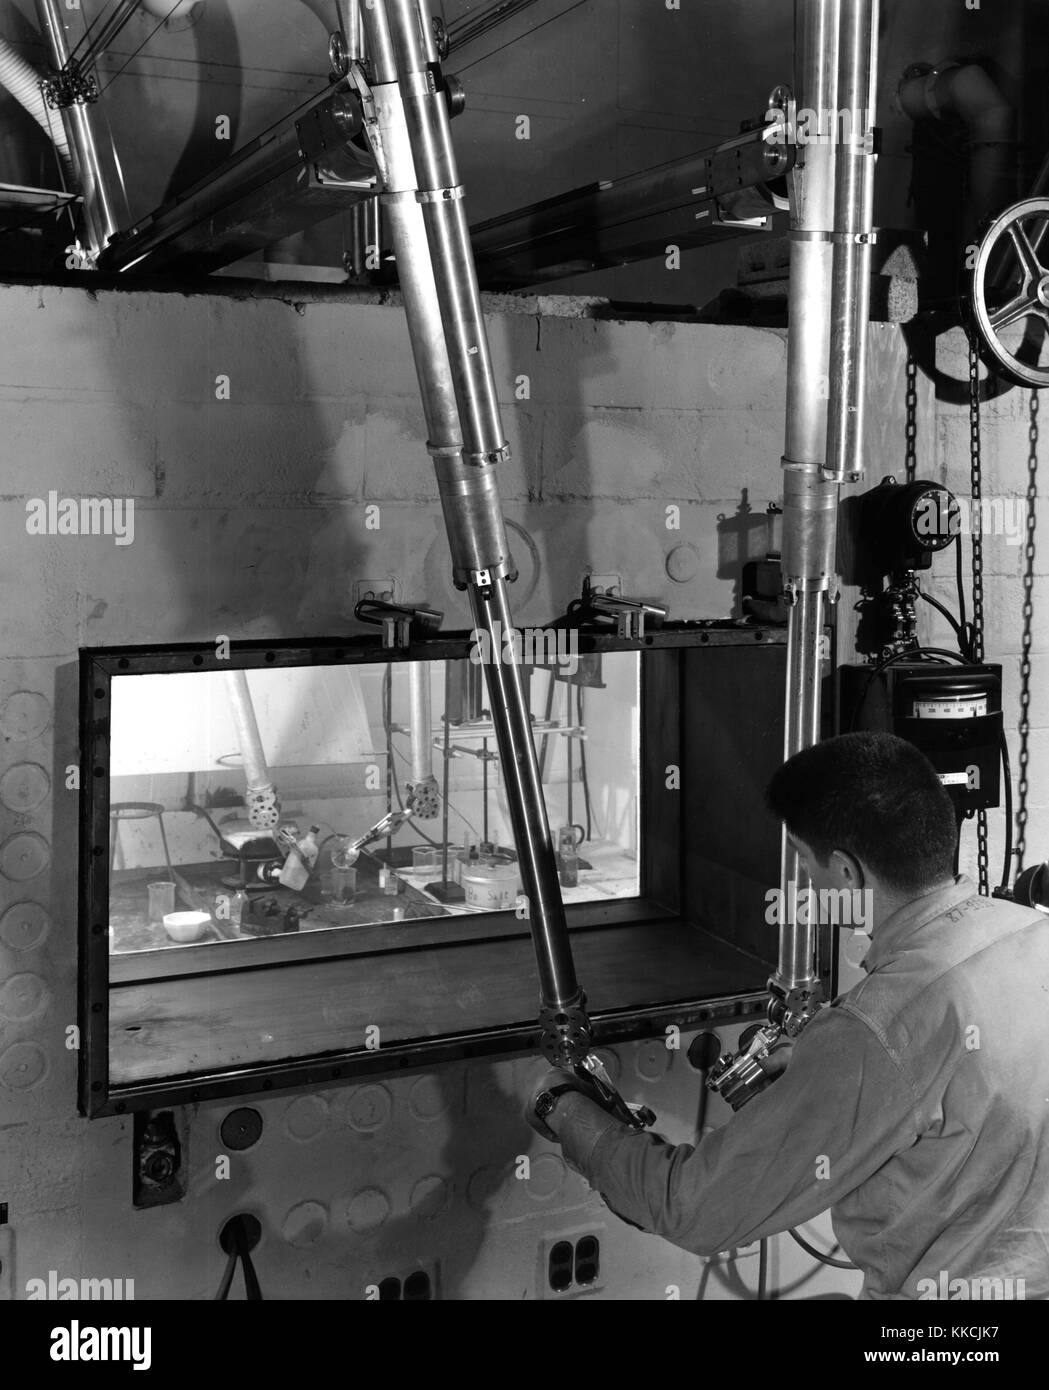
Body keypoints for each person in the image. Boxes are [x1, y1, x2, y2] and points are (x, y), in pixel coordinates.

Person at [526, 731, 1049, 1300]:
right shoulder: (1031, 932)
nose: (803, 881)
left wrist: (561, 1108)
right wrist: (828, 1076)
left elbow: (691, 1209)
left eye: (803, 859)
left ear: (847, 875)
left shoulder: (874, 1031)